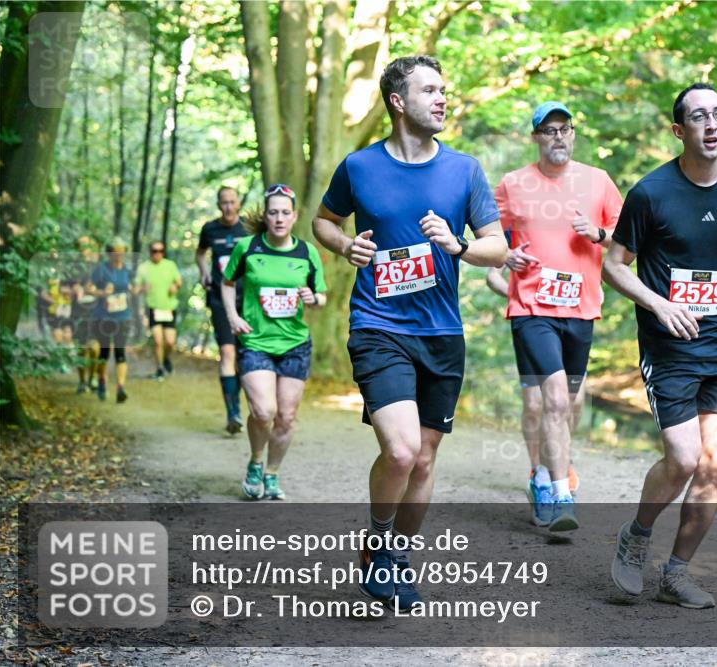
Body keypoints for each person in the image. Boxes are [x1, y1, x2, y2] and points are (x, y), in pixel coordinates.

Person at [312, 55, 506, 609]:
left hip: (442, 332)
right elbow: (323, 220)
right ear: (398, 102)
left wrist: (459, 244)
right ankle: (377, 542)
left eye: (444, 89)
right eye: (430, 91)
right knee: (399, 452)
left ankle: (396, 558)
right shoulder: (359, 167)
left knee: (423, 459)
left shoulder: (464, 170)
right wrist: (344, 244)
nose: (442, 98)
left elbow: (498, 245)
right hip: (379, 325)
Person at [603, 83, 717, 609]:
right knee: (682, 459)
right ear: (679, 131)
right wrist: (658, 304)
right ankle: (637, 535)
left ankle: (677, 573)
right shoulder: (650, 193)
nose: (711, 124)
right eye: (699, 117)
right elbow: (613, 265)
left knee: (713, 465)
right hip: (671, 347)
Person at [485, 101, 622, 532]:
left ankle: (553, 467)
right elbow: (486, 238)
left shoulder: (598, 182)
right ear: (536, 137)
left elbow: (628, 237)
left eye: (564, 128)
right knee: (547, 400)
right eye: (548, 130)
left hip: (581, 309)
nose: (558, 136)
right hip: (531, 309)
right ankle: (552, 486)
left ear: (573, 134)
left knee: (570, 402)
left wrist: (598, 234)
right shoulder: (512, 185)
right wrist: (506, 257)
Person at [222, 184, 326, 501]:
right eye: (273, 212)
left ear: (294, 216)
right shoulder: (247, 248)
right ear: (265, 216)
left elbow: (321, 295)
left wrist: (314, 298)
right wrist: (232, 316)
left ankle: (272, 474)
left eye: (285, 213)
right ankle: (255, 461)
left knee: (286, 418)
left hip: (295, 344)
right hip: (256, 341)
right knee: (264, 411)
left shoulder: (308, 253)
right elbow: (226, 283)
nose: (279, 218)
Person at [197, 186, 249, 433]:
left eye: (232, 202)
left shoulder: (249, 228)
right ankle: (233, 413)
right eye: (224, 202)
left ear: (238, 203)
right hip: (219, 299)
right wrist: (204, 273)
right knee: (227, 354)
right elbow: (200, 254)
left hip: (248, 300)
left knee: (242, 356)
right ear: (219, 205)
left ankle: (243, 407)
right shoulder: (209, 229)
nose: (228, 206)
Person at [90, 238, 139, 403]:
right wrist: (103, 293)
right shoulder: (101, 270)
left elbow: (133, 288)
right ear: (109, 253)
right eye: (115, 251)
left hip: (123, 317)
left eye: (122, 251)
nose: (119, 255)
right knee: (104, 352)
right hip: (103, 317)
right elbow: (88, 288)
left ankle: (120, 387)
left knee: (120, 352)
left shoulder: (127, 270)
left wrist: (135, 290)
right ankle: (102, 380)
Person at [136, 241, 182, 379]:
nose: (158, 254)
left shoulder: (170, 265)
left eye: (160, 251)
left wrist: (175, 286)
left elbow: (179, 281)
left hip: (169, 308)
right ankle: (160, 368)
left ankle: (166, 358)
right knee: (157, 341)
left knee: (169, 342)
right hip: (152, 308)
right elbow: (135, 288)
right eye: (155, 251)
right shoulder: (143, 268)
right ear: (150, 252)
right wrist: (143, 288)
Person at [68, 236, 101, 393]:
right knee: (82, 349)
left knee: (95, 348)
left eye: (88, 245)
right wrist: (73, 289)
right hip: (78, 313)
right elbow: (62, 289)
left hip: (96, 313)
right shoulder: (72, 267)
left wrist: (94, 290)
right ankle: (82, 382)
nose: (85, 249)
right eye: (81, 246)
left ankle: (92, 377)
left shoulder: (101, 268)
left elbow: (110, 289)